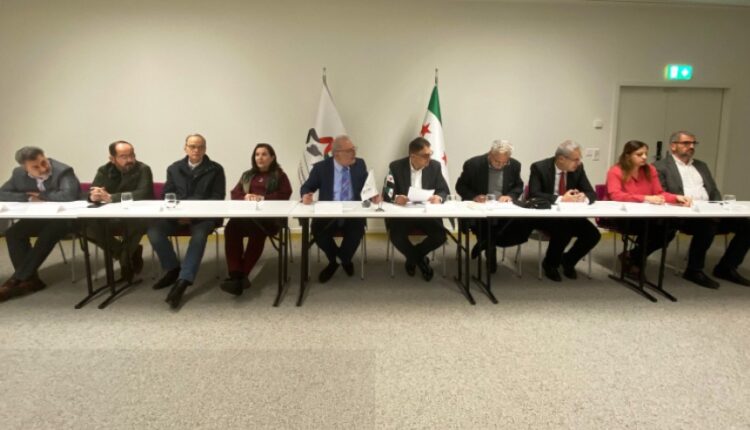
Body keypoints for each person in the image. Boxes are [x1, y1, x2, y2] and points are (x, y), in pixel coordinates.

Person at [655, 131, 750, 288]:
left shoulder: (701, 165)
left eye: (694, 143)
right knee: (708, 224)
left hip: (709, 211)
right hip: (682, 214)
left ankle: (726, 267)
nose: (691, 146)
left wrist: (720, 208)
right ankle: (694, 270)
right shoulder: (660, 167)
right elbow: (661, 193)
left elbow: (713, 191)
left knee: (746, 224)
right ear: (673, 146)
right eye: (686, 143)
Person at [147, 133, 226, 309]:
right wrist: (178, 214)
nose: (196, 150)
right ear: (185, 148)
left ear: (205, 149)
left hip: (204, 217)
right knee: (154, 231)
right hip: (177, 215)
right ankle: (173, 268)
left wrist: (192, 213)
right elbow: (167, 195)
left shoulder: (216, 169)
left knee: (198, 237)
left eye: (200, 146)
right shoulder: (174, 168)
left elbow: (217, 197)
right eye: (192, 146)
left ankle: (183, 281)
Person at [0, 147, 80, 301]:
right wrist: (27, 197)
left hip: (66, 218)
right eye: (35, 167)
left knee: (48, 234)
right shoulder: (18, 174)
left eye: (43, 162)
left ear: (45, 156)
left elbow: (68, 195)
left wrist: (41, 195)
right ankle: (31, 280)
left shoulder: (63, 171)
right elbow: (2, 193)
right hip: (40, 216)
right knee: (13, 232)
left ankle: (17, 279)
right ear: (25, 168)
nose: (43, 168)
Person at [300, 135, 381, 283]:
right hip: (328, 213)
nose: (354, 153)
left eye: (354, 149)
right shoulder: (321, 168)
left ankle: (336, 262)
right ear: (337, 154)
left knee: (356, 231)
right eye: (349, 151)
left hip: (353, 213)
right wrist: (306, 195)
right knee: (317, 231)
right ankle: (343, 259)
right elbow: (306, 187)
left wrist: (373, 195)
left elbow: (367, 188)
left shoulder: (359, 164)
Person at [606, 140, 690, 278]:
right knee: (655, 228)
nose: (644, 157)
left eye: (645, 153)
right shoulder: (615, 171)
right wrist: (645, 198)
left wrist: (676, 198)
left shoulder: (650, 169)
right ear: (628, 155)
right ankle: (636, 261)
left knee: (669, 228)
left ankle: (633, 256)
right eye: (639, 154)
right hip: (623, 216)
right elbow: (616, 195)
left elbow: (659, 193)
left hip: (647, 215)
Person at [221, 143, 292, 296]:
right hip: (246, 216)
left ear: (272, 158)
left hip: (269, 220)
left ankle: (243, 274)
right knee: (231, 228)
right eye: (257, 154)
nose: (260, 157)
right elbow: (234, 194)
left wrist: (263, 198)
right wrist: (245, 196)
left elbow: (285, 195)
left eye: (264, 154)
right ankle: (235, 274)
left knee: (258, 231)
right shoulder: (247, 175)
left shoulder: (280, 176)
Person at [455, 140, 533, 273]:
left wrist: (510, 196)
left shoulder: (514, 165)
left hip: (503, 208)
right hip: (480, 209)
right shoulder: (473, 164)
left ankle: (486, 243)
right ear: (490, 153)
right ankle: (490, 250)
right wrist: (474, 196)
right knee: (486, 224)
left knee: (524, 223)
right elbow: (460, 186)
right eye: (497, 161)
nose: (500, 165)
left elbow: (518, 186)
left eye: (504, 162)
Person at [528, 140, 601, 281]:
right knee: (563, 231)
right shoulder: (539, 167)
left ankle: (568, 260)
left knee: (593, 235)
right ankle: (550, 264)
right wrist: (561, 199)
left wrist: (584, 197)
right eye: (576, 159)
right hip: (545, 215)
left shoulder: (578, 168)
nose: (579, 162)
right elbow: (534, 194)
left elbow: (591, 193)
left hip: (569, 215)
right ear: (561, 159)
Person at [86, 140, 153, 282]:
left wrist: (112, 197)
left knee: (139, 223)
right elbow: (93, 190)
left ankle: (124, 262)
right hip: (110, 216)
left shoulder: (143, 169)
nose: (129, 160)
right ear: (112, 159)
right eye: (124, 156)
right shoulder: (104, 170)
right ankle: (127, 255)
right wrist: (93, 196)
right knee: (86, 226)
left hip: (135, 215)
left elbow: (144, 193)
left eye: (132, 155)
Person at [383, 137, 449, 280]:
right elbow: (387, 193)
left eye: (430, 154)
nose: (429, 158)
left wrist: (438, 197)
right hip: (404, 214)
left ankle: (412, 259)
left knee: (440, 236)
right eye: (425, 155)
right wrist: (396, 198)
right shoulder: (396, 167)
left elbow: (444, 190)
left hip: (426, 213)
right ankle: (421, 260)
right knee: (396, 236)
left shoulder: (435, 166)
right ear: (413, 156)